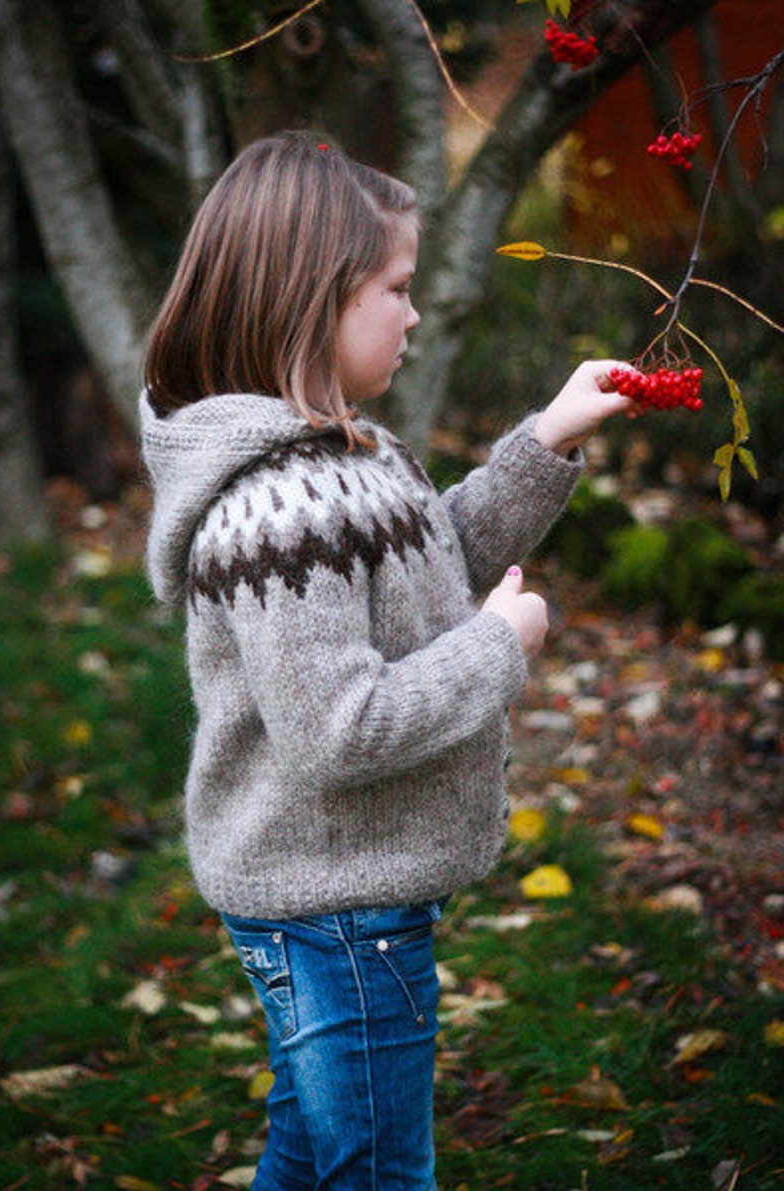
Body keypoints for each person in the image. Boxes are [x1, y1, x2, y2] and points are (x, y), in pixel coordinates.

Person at [140, 130, 638, 1190]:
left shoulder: (335, 449)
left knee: (314, 1151)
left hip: (337, 898)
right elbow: (339, 728)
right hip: (336, 915)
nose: (414, 314)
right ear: (311, 298)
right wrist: (500, 648)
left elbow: (429, 562)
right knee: (376, 1173)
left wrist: (544, 438)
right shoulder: (277, 505)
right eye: (395, 288)